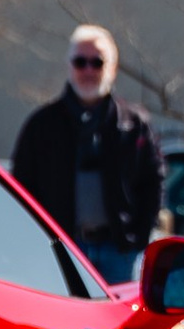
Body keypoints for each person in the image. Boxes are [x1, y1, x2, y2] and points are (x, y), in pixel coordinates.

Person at [11, 25, 161, 287]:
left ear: (112, 68)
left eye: (97, 62)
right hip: (63, 250)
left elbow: (153, 180)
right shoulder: (43, 124)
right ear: (69, 67)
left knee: (115, 315)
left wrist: (138, 237)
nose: (89, 70)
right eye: (80, 62)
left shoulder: (133, 123)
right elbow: (22, 184)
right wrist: (38, 240)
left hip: (119, 252)